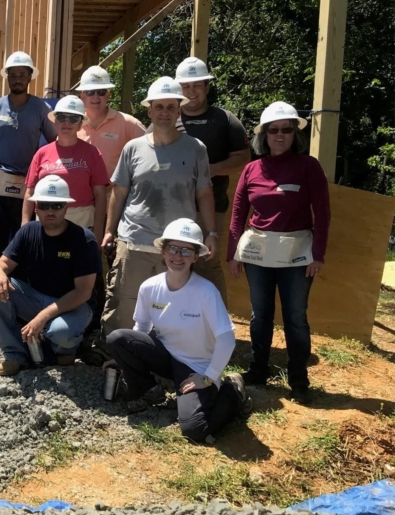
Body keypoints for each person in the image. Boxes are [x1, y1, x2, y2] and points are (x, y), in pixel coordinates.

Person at [106, 219, 251, 443]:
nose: (178, 256)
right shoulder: (150, 287)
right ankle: (148, 391)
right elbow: (141, 329)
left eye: (186, 250)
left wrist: (209, 376)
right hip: (165, 356)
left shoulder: (205, 292)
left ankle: (232, 391)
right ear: (162, 251)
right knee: (117, 339)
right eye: (173, 248)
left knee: (195, 429)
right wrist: (125, 358)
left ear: (196, 257)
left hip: (195, 366)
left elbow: (227, 338)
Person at [228, 102, 331, 402]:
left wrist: (318, 254)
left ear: (295, 133)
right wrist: (233, 253)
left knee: (296, 317)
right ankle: (258, 371)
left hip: (297, 255)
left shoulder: (308, 166)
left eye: (287, 129)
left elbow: (322, 213)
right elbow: (238, 213)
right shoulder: (251, 169)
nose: (280, 135)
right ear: (264, 134)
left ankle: (298, 380)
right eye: (274, 130)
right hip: (259, 254)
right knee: (260, 315)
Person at [101, 77, 216, 338]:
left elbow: (204, 194)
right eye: (159, 107)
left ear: (179, 110)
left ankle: (161, 365)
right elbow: (118, 193)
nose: (164, 112)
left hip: (177, 248)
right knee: (123, 306)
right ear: (149, 110)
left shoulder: (195, 149)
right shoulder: (133, 148)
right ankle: (117, 362)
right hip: (134, 243)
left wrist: (212, 233)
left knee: (170, 311)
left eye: (170, 107)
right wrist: (109, 231)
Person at [0, 176, 101, 376]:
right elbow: (1, 263)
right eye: (45, 205)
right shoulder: (28, 231)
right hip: (37, 299)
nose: (50, 211)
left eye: (56, 206)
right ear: (36, 207)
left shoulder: (83, 239)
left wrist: (41, 317)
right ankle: (15, 354)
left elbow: (83, 292)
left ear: (66, 207)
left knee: (60, 332)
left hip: (76, 306)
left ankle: (65, 350)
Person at [170, 57, 250, 301]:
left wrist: (211, 170)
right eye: (185, 86)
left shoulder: (225, 120)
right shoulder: (167, 117)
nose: (191, 92)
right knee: (171, 264)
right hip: (170, 207)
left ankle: (217, 328)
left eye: (197, 85)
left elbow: (243, 157)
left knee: (207, 263)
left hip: (211, 207)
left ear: (206, 86)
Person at [0, 51, 56, 262]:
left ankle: (20, 288)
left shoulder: (40, 108)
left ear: (30, 77)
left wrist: (43, 175)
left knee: (24, 237)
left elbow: (55, 144)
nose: (18, 79)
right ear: (7, 77)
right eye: (13, 74)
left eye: (22, 74)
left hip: (27, 186)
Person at [23, 95, 109, 242]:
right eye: (62, 117)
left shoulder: (92, 153)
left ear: (80, 124)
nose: (67, 123)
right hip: (45, 220)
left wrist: (99, 231)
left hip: (81, 221)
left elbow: (100, 195)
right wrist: (24, 228)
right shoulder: (42, 153)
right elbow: (30, 192)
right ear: (55, 121)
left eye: (74, 118)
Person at [76, 65, 146, 180]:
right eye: (90, 92)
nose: (96, 97)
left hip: (114, 196)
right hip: (81, 195)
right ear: (82, 96)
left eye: (101, 92)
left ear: (108, 96)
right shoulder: (72, 123)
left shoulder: (128, 123)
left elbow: (151, 151)